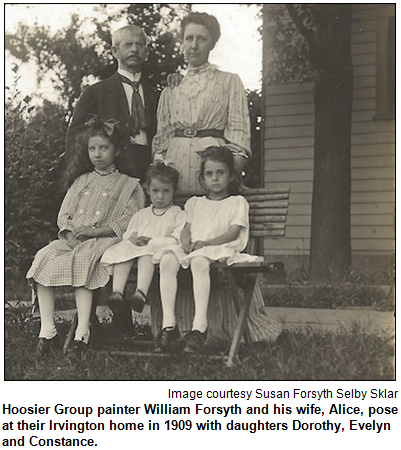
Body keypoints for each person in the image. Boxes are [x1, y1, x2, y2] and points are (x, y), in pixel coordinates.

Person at [27, 117, 145, 358]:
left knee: (85, 259)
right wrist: (69, 235)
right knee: (43, 257)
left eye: (104, 148)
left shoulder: (129, 185)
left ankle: (82, 332)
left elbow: (129, 221)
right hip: (74, 239)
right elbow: (65, 213)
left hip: (106, 240)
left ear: (117, 150)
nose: (97, 154)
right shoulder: (81, 181)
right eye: (93, 149)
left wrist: (94, 232)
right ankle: (47, 331)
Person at [153, 147, 262, 352]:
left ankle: (199, 328)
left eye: (220, 173)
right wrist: (186, 239)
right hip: (195, 248)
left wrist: (207, 244)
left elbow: (233, 233)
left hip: (219, 249)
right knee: (167, 259)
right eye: (209, 174)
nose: (215, 179)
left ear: (230, 176)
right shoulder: (195, 203)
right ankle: (169, 324)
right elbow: (185, 228)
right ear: (202, 178)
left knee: (199, 261)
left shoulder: (237, 202)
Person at [152, 12, 251, 191]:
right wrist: (161, 175)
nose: (194, 46)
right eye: (189, 38)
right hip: (176, 169)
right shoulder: (171, 87)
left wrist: (230, 176)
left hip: (213, 170)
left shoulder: (229, 81)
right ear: (182, 41)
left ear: (212, 43)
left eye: (202, 39)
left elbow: (239, 134)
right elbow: (162, 139)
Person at [65, 25, 159, 182]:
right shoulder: (96, 93)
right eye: (128, 44)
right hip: (110, 174)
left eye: (140, 45)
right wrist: (77, 180)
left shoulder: (156, 95)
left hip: (148, 173)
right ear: (115, 51)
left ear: (147, 53)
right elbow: (75, 137)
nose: (134, 49)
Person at [100, 162, 185, 314]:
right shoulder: (142, 214)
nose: (160, 196)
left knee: (147, 254)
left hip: (159, 250)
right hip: (137, 247)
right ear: (148, 190)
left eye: (166, 191)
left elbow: (176, 238)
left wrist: (152, 242)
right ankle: (117, 293)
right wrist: (133, 239)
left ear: (174, 191)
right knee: (124, 251)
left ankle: (140, 293)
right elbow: (129, 233)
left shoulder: (176, 212)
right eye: (155, 191)